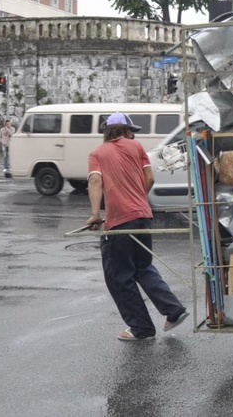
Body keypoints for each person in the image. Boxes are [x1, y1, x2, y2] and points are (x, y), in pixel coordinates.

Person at [86, 112, 189, 341]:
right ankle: (174, 311)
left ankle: (141, 328)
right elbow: (150, 178)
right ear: (124, 130)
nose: (133, 134)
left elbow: (95, 181)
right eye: (131, 130)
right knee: (143, 266)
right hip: (143, 216)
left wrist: (95, 215)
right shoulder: (137, 147)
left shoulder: (98, 153)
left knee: (118, 276)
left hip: (120, 222)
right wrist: (137, 200)